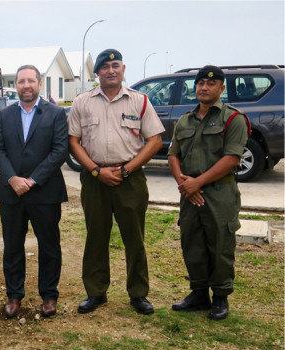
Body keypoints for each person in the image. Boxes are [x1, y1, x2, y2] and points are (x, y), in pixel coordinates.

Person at [68, 49, 165, 315]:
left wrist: (126, 170)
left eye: (115, 65)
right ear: (96, 72)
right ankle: (96, 292)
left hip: (130, 179)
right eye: (105, 66)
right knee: (96, 237)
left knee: (135, 238)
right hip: (94, 179)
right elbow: (73, 141)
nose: (111, 70)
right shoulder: (82, 102)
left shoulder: (140, 101)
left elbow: (154, 140)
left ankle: (138, 293)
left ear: (123, 69)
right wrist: (96, 170)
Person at [168, 65, 248, 321]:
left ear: (221, 88)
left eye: (211, 83)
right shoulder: (184, 120)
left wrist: (197, 183)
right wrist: (184, 183)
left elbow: (232, 158)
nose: (204, 87)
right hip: (189, 194)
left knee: (220, 245)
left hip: (219, 193)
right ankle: (199, 293)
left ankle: (220, 297)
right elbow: (173, 154)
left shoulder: (233, 119)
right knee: (192, 244)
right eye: (200, 83)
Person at [0, 65, 68, 318]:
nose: (26, 85)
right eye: (21, 81)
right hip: (11, 193)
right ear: (16, 85)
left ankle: (49, 296)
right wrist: (12, 178)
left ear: (40, 84)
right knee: (13, 246)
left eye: (31, 81)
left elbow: (59, 151)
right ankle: (14, 296)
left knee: (49, 246)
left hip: (45, 192)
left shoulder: (56, 114)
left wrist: (33, 180)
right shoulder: (5, 115)